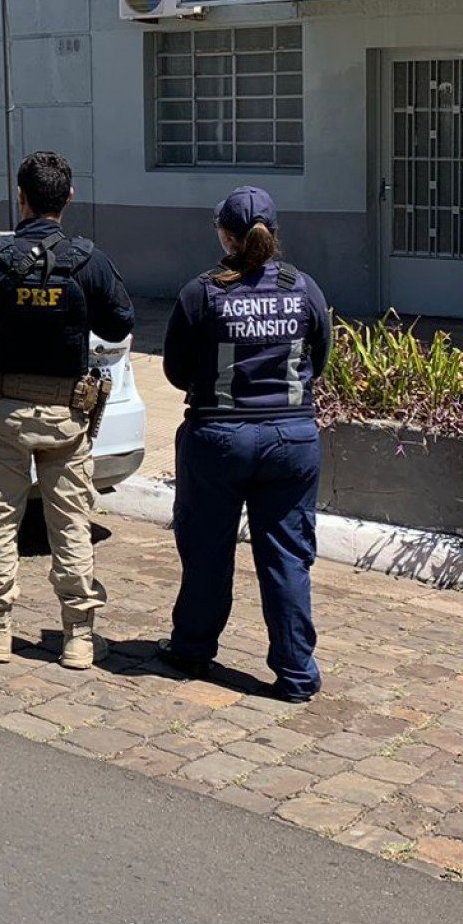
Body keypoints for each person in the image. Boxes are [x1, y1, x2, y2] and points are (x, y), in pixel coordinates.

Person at [0, 151, 137, 670]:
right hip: (66, 415)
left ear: (20, 196)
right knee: (71, 523)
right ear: (68, 198)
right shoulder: (87, 261)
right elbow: (120, 323)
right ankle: (77, 637)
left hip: (2, 409)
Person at [159, 186, 332, 702]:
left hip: (219, 439)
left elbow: (174, 369)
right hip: (292, 440)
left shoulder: (201, 292)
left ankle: (192, 649)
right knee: (286, 558)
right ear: (273, 235)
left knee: (208, 550)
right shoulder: (304, 289)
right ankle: (296, 672)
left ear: (225, 234)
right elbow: (317, 361)